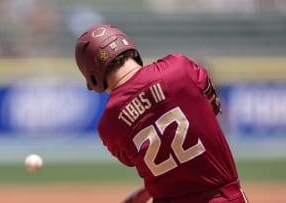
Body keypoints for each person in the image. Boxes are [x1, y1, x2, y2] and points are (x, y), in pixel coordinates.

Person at [74, 24, 248, 203]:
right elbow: (212, 108)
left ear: (93, 76)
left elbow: (145, 162)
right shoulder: (179, 68)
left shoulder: (109, 125)